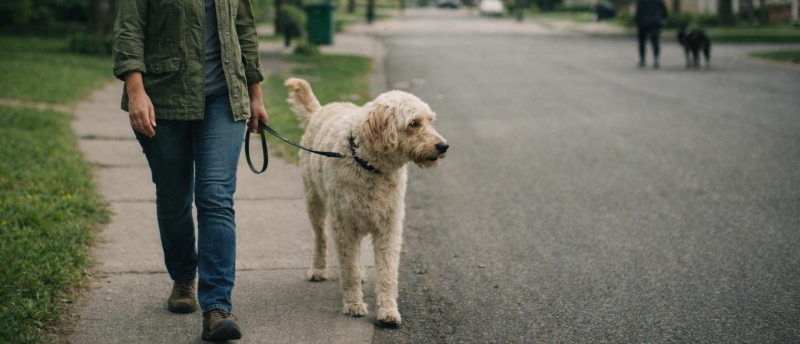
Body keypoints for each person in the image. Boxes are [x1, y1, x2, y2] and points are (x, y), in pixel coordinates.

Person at [112, 0, 268, 341]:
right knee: (173, 198)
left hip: (224, 99)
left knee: (215, 197)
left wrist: (255, 94)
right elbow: (129, 29)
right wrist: (135, 91)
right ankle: (183, 276)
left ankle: (217, 307)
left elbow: (244, 31)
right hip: (163, 98)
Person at [634, 0, 668, 68]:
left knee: (642, 42)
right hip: (655, 21)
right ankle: (656, 59)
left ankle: (642, 60)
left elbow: (638, 9)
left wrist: (636, 20)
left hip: (643, 21)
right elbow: (663, 7)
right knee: (655, 41)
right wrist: (664, 17)